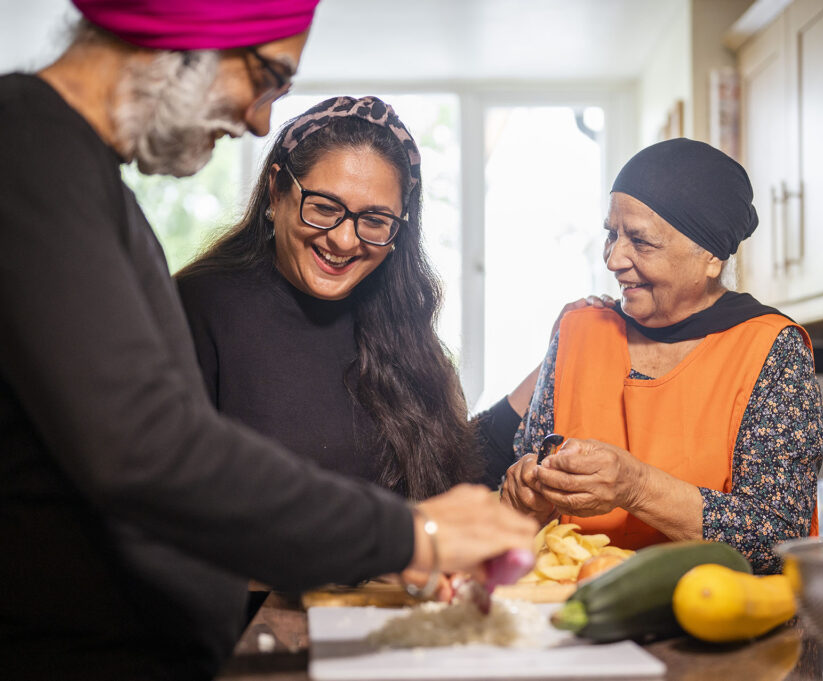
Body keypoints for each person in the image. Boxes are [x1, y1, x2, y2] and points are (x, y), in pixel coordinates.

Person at [0, 3, 535, 679]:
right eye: (267, 76)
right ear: (189, 27)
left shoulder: (74, 166)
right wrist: (410, 534)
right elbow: (145, 445)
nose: (257, 118)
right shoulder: (27, 143)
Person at [501, 139, 823, 574]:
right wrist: (523, 495)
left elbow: (779, 538)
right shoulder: (577, 331)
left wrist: (634, 486)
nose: (614, 258)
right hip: (575, 618)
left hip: (721, 625)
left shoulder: (772, 350)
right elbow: (522, 501)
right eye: (611, 234)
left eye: (640, 241)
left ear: (710, 257)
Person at [176, 95, 527, 496]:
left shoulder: (401, 327)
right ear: (277, 191)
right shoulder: (198, 306)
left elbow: (452, 478)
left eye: (375, 220)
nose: (344, 240)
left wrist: (559, 350)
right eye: (325, 208)